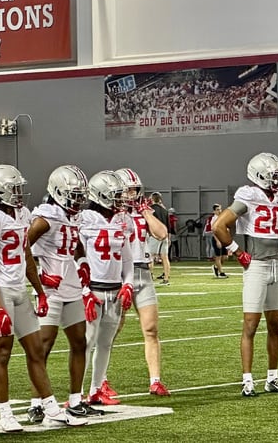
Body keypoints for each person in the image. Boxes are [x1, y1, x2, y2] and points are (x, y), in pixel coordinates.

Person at [0, 164, 87, 432]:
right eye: (13, 189)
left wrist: (38, 290)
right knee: (2, 353)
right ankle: (5, 413)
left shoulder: (23, 213)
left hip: (19, 289)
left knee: (36, 351)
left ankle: (50, 407)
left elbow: (26, 255)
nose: (19, 194)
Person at [212, 152, 278, 397]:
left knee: (276, 324)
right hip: (256, 267)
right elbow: (218, 225)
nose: (277, 181)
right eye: (273, 176)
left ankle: (273, 377)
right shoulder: (248, 196)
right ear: (259, 175)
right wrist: (236, 251)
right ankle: (247, 380)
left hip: (275, 266)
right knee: (250, 324)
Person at [26, 165, 104, 422]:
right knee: (43, 345)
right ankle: (36, 402)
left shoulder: (72, 217)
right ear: (58, 192)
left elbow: (77, 245)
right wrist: (39, 273)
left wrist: (82, 265)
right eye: (74, 194)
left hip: (70, 287)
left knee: (79, 342)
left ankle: (74, 400)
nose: (79, 200)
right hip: (50, 289)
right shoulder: (46, 215)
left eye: (81, 195)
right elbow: (22, 246)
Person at [114, 168, 171, 396]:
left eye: (136, 190)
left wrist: (146, 213)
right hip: (117, 275)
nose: (133, 194)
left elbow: (162, 233)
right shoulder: (109, 214)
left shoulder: (141, 213)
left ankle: (155, 381)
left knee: (151, 329)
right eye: (129, 190)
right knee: (111, 331)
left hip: (142, 273)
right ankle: (100, 381)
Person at [79, 171, 134, 405]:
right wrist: (84, 291)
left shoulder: (121, 220)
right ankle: (76, 393)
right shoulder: (85, 218)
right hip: (94, 288)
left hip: (114, 289)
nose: (121, 200)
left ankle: (96, 388)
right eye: (115, 195)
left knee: (105, 342)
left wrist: (129, 283)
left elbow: (127, 256)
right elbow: (77, 256)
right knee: (87, 341)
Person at [149, 192, 171, 285]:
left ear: (152, 199)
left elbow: (150, 224)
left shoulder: (150, 210)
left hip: (155, 236)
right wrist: (169, 237)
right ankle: (166, 278)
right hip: (165, 236)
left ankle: (150, 276)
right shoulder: (165, 210)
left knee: (150, 257)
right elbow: (169, 226)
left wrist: (151, 234)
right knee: (165, 258)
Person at [209, 204, 228, 278]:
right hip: (217, 239)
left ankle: (216, 267)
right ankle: (221, 273)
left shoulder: (222, 218)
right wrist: (218, 241)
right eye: (217, 210)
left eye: (220, 209)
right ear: (214, 211)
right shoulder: (214, 219)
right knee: (218, 257)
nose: (219, 211)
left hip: (223, 238)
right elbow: (213, 231)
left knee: (225, 257)